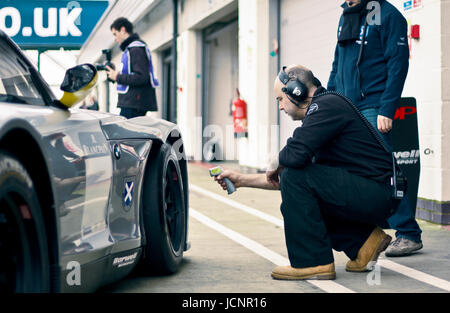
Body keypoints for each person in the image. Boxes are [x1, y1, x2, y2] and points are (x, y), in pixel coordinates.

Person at [214, 65, 400, 280]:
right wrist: (241, 180)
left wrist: (276, 160)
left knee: (295, 173)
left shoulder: (327, 105)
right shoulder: (322, 112)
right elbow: (294, 181)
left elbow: (293, 160)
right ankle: (365, 243)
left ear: (296, 91)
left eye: (279, 99)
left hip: (377, 193)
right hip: (372, 192)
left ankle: (313, 262)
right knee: (301, 187)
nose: (281, 107)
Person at [327, 0, 423, 256]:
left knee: (382, 169)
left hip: (373, 106)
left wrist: (386, 108)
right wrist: (327, 102)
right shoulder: (347, 16)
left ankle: (408, 232)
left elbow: (398, 63)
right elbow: (338, 65)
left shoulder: (387, 15)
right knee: (349, 171)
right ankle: (365, 234)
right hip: (347, 106)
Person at [106, 17, 159, 119]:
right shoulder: (132, 49)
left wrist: (117, 76)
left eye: (115, 34)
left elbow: (141, 77)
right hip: (133, 103)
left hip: (134, 104)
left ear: (122, 30)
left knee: (126, 134)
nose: (115, 38)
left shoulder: (135, 49)